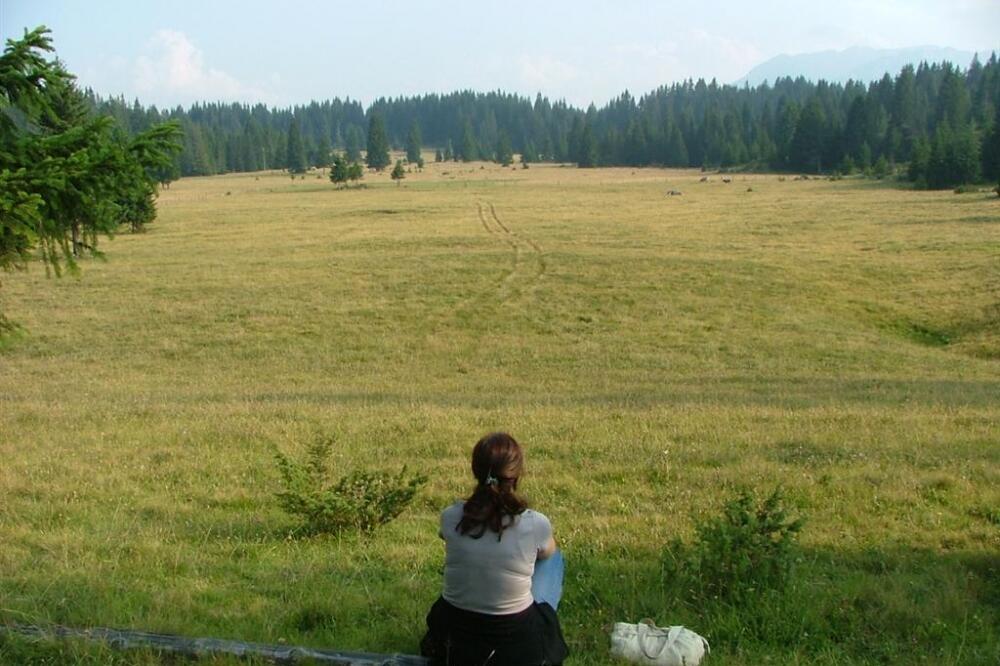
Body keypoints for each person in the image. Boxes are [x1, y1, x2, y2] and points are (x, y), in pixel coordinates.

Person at [421, 432, 569, 665]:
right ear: (517, 474)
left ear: (475, 470)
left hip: (455, 639)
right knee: (553, 558)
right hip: (516, 647)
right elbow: (548, 552)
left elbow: (447, 537)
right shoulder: (535, 523)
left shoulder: (451, 517)